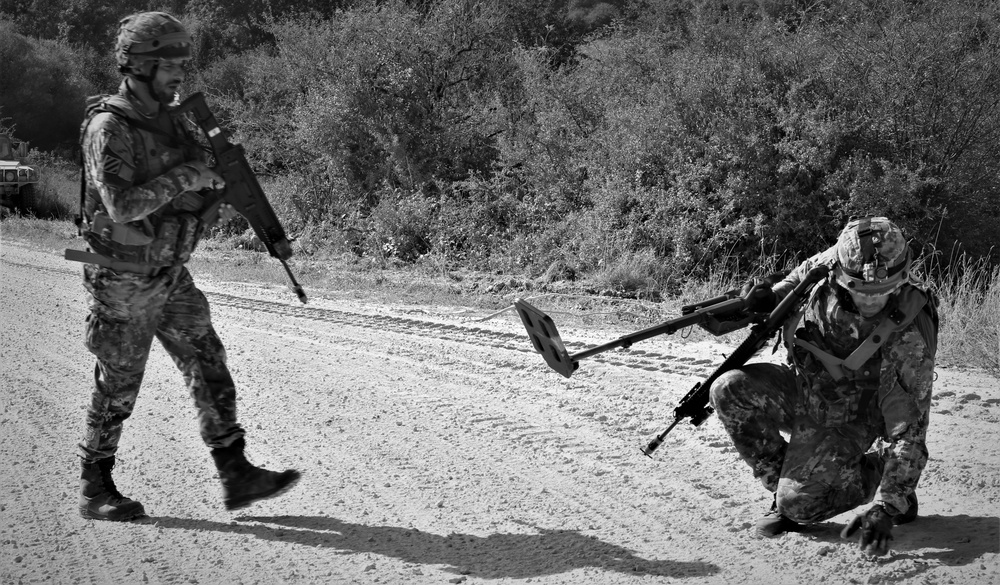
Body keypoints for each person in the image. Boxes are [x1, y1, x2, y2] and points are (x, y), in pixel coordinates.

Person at [73, 11, 300, 521]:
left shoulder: (175, 119)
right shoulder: (110, 127)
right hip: (123, 278)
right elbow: (123, 206)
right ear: (138, 65)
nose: (179, 74)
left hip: (171, 271)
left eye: (181, 63)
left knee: (208, 359)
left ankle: (235, 471)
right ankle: (95, 485)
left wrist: (216, 185)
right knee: (120, 381)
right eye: (167, 64)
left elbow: (203, 181)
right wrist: (188, 177)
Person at [709, 216, 937, 555]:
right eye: (861, 291)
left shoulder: (909, 330)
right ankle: (786, 489)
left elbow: (910, 430)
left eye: (883, 293)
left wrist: (888, 506)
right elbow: (792, 284)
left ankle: (872, 471)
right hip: (807, 387)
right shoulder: (831, 262)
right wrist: (765, 297)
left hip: (857, 414)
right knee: (728, 389)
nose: (872, 301)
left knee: (799, 506)